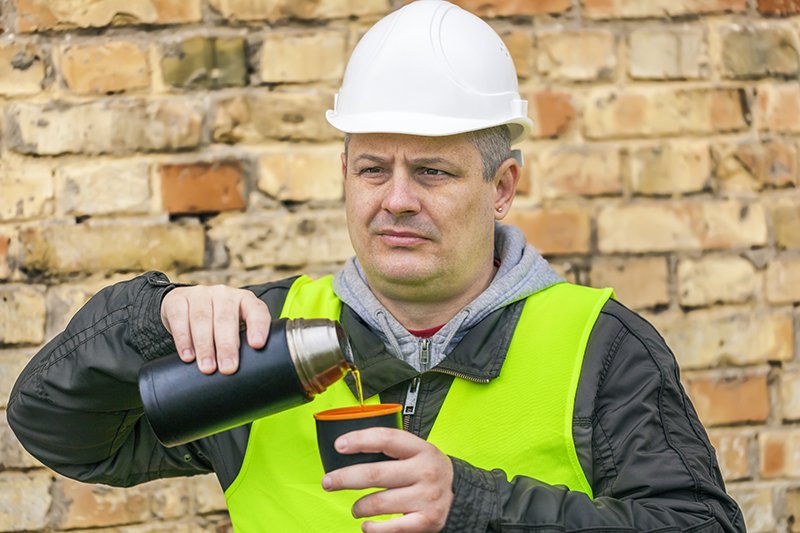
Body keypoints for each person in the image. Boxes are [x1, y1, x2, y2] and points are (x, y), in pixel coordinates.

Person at [8, 1, 744, 532]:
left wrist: (479, 507)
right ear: (344, 174)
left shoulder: (600, 349)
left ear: (504, 188)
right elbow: (60, 429)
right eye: (372, 169)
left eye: (431, 172)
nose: (395, 200)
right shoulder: (263, 335)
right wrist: (150, 318)